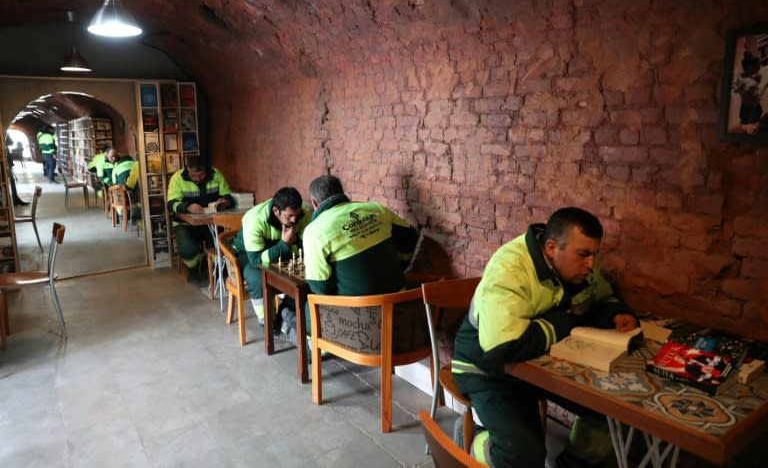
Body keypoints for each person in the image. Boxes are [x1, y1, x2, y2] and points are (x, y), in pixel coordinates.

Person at [451, 207, 638, 468]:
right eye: (583, 255)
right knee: (523, 457)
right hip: (484, 368)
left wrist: (616, 312)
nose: (591, 265)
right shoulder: (510, 267)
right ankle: (473, 443)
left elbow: (600, 297)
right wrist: (566, 320)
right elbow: (503, 348)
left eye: (595, 254)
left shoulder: (579, 264)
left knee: (610, 416)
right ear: (551, 248)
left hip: (539, 365)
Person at [301, 175, 422, 349]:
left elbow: (319, 288)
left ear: (314, 203)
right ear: (342, 192)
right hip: (399, 306)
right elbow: (410, 238)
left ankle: (322, 352)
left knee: (308, 305)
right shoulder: (376, 208)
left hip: (360, 320)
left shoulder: (315, 231)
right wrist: (401, 265)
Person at [231, 187, 310, 324]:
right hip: (247, 254)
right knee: (258, 278)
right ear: (276, 211)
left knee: (302, 276)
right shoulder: (254, 219)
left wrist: (289, 245)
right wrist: (285, 244)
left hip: (280, 251)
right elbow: (256, 260)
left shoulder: (302, 212)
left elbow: (306, 245)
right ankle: (268, 322)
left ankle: (287, 313)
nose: (294, 220)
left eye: (296, 215)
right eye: (289, 216)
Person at [167, 155, 233, 271]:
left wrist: (225, 201)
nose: (198, 179)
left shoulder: (216, 174)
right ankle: (194, 268)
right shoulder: (177, 178)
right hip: (184, 223)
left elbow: (227, 195)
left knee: (222, 245)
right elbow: (171, 204)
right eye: (193, 176)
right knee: (188, 250)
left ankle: (216, 271)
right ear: (187, 170)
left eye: (201, 175)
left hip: (212, 222)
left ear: (206, 169)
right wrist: (187, 207)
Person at [5, 133, 28, 206]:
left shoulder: (4, 133)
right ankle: (12, 200)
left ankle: (15, 199)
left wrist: (6, 134)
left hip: (7, 161)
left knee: (12, 181)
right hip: (5, 162)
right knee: (10, 181)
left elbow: (11, 142)